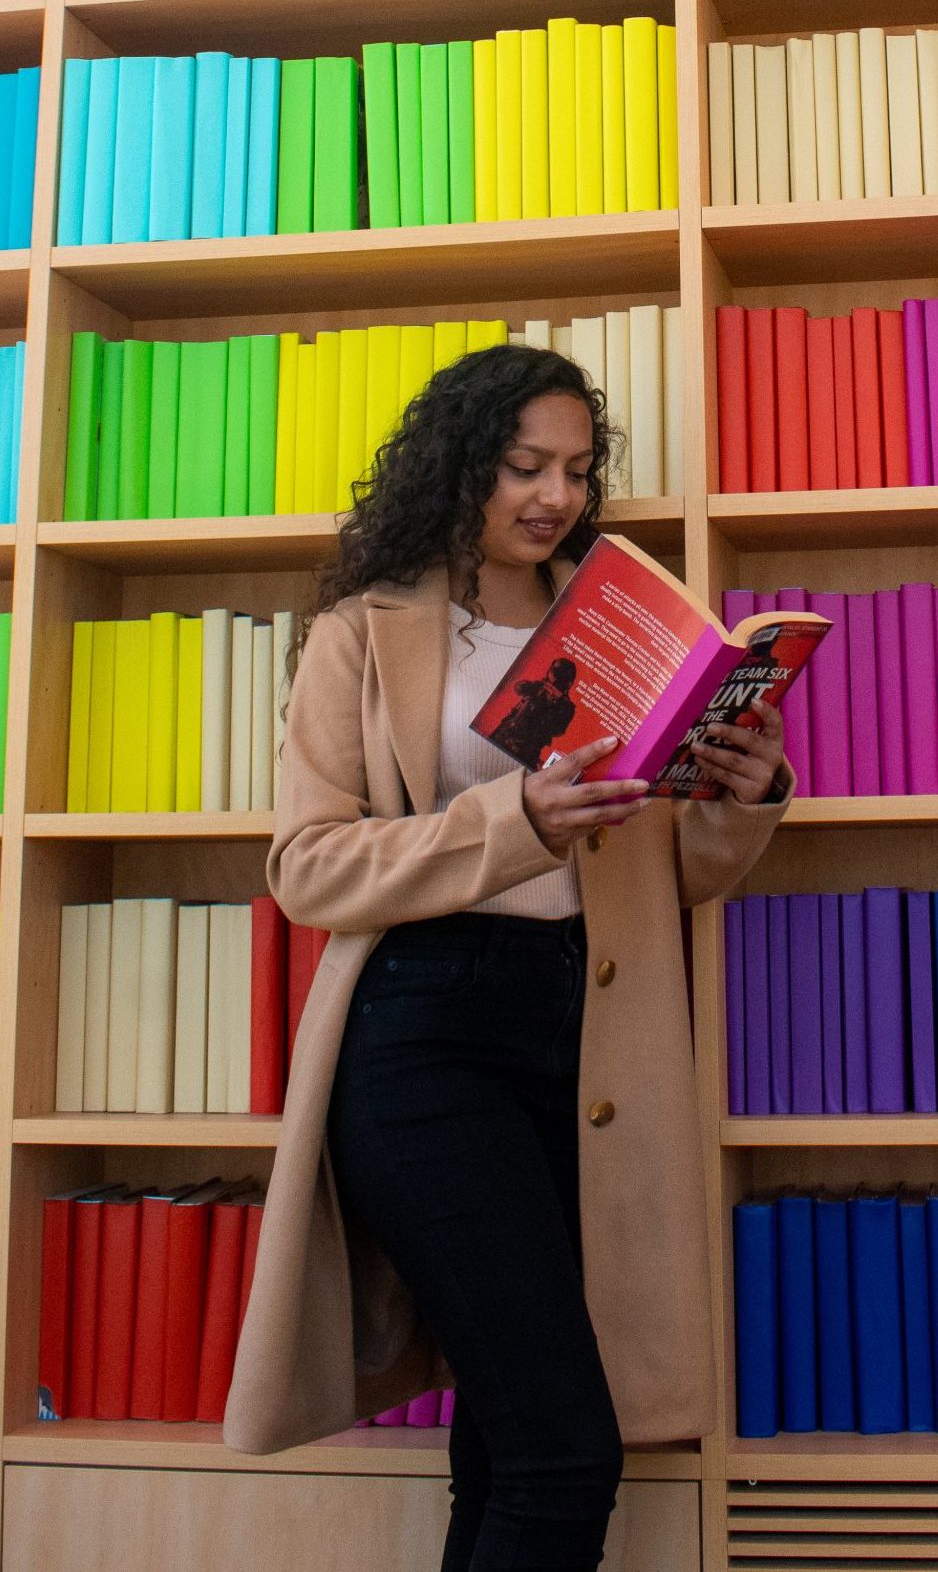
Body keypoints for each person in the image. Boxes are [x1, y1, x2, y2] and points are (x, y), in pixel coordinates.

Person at [236, 344, 792, 1572]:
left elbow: (663, 882)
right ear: (459, 465)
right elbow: (309, 868)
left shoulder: (623, 633)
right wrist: (512, 822)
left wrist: (738, 801)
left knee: (504, 1436)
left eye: (578, 471)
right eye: (523, 463)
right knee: (564, 1454)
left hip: (586, 1031)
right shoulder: (363, 634)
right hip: (424, 1032)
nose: (554, 495)